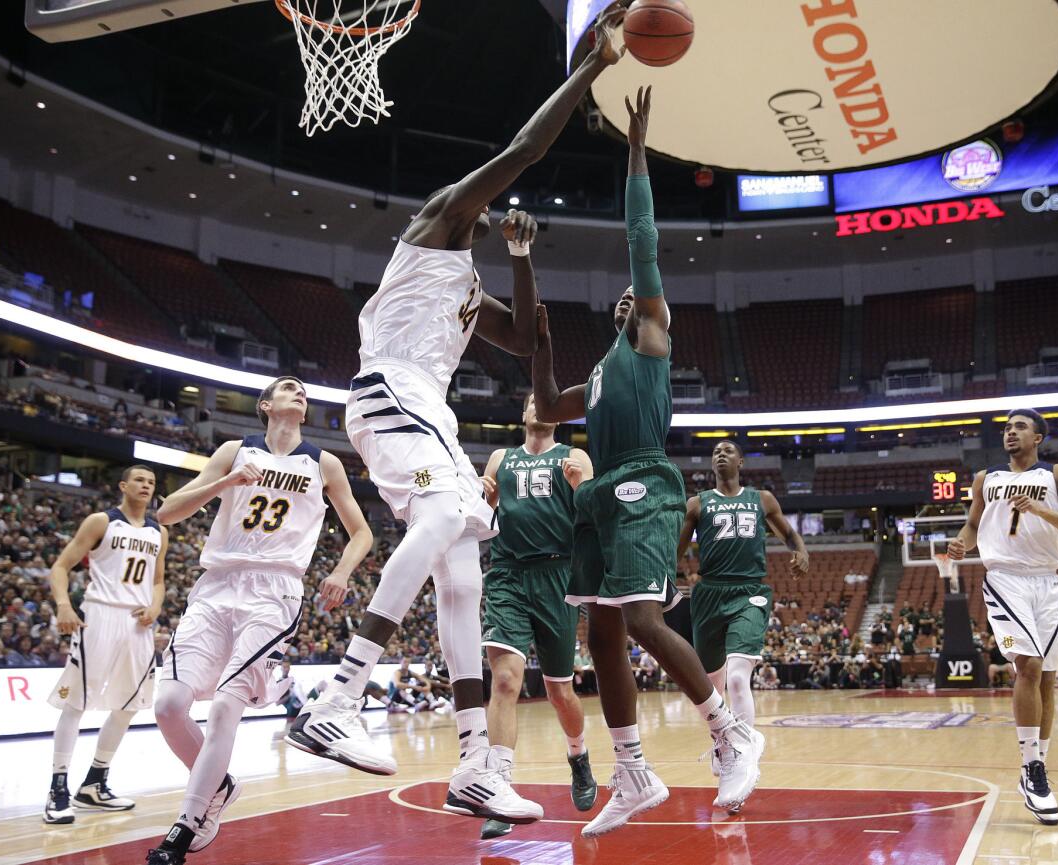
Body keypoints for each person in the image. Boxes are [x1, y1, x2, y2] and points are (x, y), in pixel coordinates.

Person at [286, 5, 627, 830]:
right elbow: (522, 151)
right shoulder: (437, 222)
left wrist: (521, 261)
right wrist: (589, 70)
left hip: (418, 408)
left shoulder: (471, 286)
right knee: (448, 515)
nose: (494, 205)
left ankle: (477, 763)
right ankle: (341, 693)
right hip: (395, 389)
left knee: (464, 573)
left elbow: (530, 349)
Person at [532, 87, 758, 837]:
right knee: (601, 637)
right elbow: (544, 403)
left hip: (643, 480)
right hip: (598, 491)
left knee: (640, 615)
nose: (634, 294)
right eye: (627, 297)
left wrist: (633, 152)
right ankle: (633, 772)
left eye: (644, 293)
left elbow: (642, 241)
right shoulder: (597, 369)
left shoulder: (651, 338)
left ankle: (730, 732)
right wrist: (531, 316)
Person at [144, 376, 373, 865]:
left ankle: (185, 826)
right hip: (216, 586)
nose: (300, 392)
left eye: (304, 392)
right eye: (288, 388)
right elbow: (166, 512)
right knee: (167, 705)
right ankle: (220, 787)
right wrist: (226, 482)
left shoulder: (323, 463)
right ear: (266, 405)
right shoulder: (234, 449)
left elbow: (361, 534)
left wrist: (340, 571)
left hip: (275, 591)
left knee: (228, 706)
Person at [948, 408, 1058, 827]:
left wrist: (1040, 510)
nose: (1011, 433)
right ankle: (1031, 768)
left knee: (1047, 676)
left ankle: (1038, 767)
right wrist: (961, 543)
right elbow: (973, 525)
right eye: (1007, 428)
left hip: (1048, 582)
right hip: (1004, 579)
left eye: (1020, 427)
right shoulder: (985, 478)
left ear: (1039, 437)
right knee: (1026, 666)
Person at [476, 394, 597, 839]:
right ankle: (497, 788)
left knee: (559, 691)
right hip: (507, 572)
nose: (537, 405)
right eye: (531, 400)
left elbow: (596, 512)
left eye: (546, 401)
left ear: (558, 416)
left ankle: (578, 756)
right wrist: (482, 494)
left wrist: (580, 487)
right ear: (524, 413)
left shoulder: (574, 455)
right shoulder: (500, 457)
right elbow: (480, 513)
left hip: (557, 575)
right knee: (505, 680)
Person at [676, 439, 808, 805]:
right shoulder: (697, 504)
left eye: (728, 450)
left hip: (749, 591)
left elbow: (789, 533)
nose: (721, 453)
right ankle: (723, 744)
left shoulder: (762, 499)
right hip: (709, 594)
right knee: (711, 687)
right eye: (715, 451)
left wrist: (800, 551)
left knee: (737, 676)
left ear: (741, 462)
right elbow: (677, 549)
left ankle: (743, 753)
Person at [44, 465, 168, 825]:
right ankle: (57, 788)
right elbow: (60, 566)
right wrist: (64, 605)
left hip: (138, 623)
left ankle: (94, 783)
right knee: (76, 703)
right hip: (99, 615)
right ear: (123, 486)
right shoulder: (101, 521)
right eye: (140, 480)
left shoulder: (160, 532)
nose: (146, 486)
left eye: (151, 482)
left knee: (130, 705)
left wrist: (156, 605)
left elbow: (158, 581)